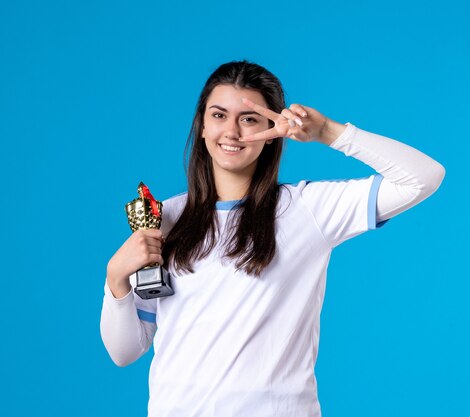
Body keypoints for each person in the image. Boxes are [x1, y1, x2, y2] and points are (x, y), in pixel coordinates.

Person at [100, 60, 445, 417]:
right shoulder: (165, 218)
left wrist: (327, 131)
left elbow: (423, 177)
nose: (231, 131)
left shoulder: (307, 209)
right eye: (219, 115)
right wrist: (115, 279)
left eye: (248, 119)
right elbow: (124, 351)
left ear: (272, 130)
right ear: (202, 126)